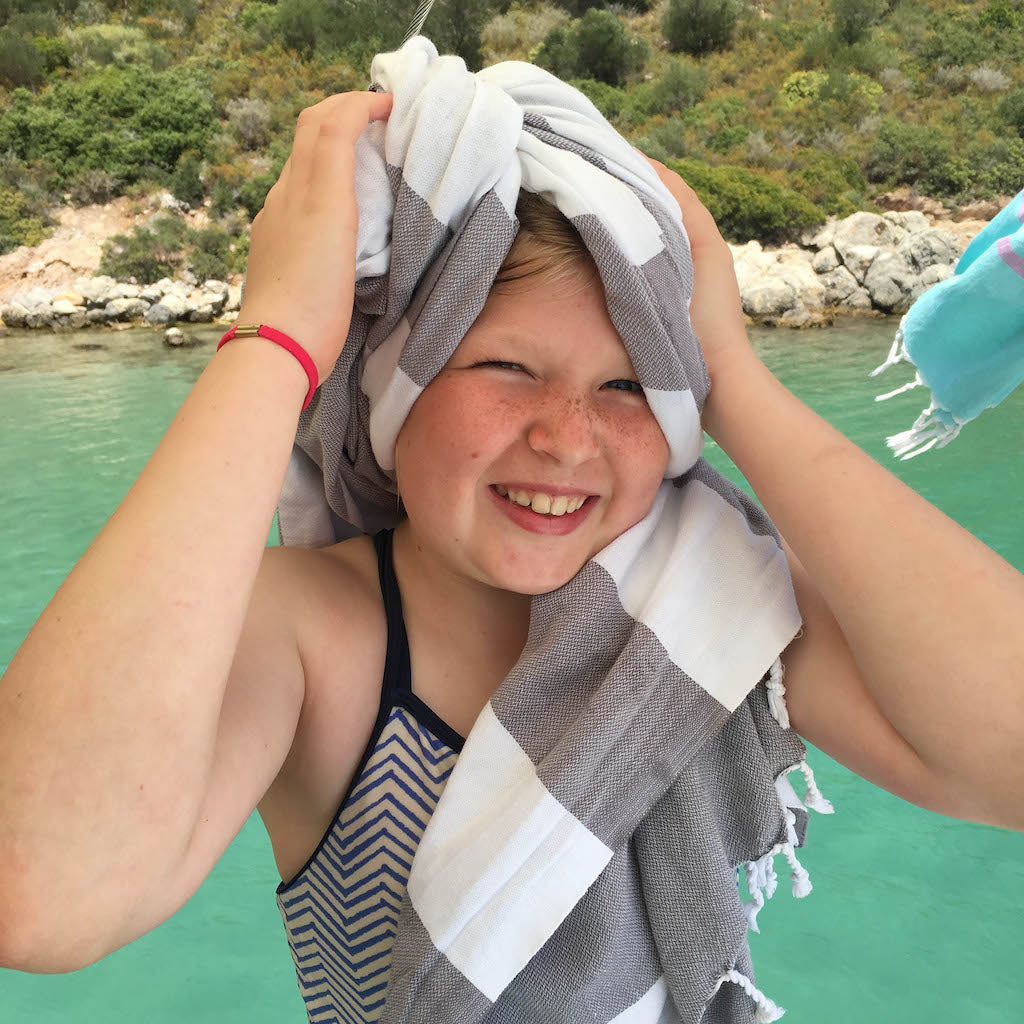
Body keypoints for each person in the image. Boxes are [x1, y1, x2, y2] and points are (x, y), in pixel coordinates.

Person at [0, 85, 1021, 1012]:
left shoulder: (711, 615)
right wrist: (277, 337)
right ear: (392, 393)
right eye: (504, 366)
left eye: (629, 386)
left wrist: (738, 385)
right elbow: (44, 894)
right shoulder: (320, 635)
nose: (567, 437)